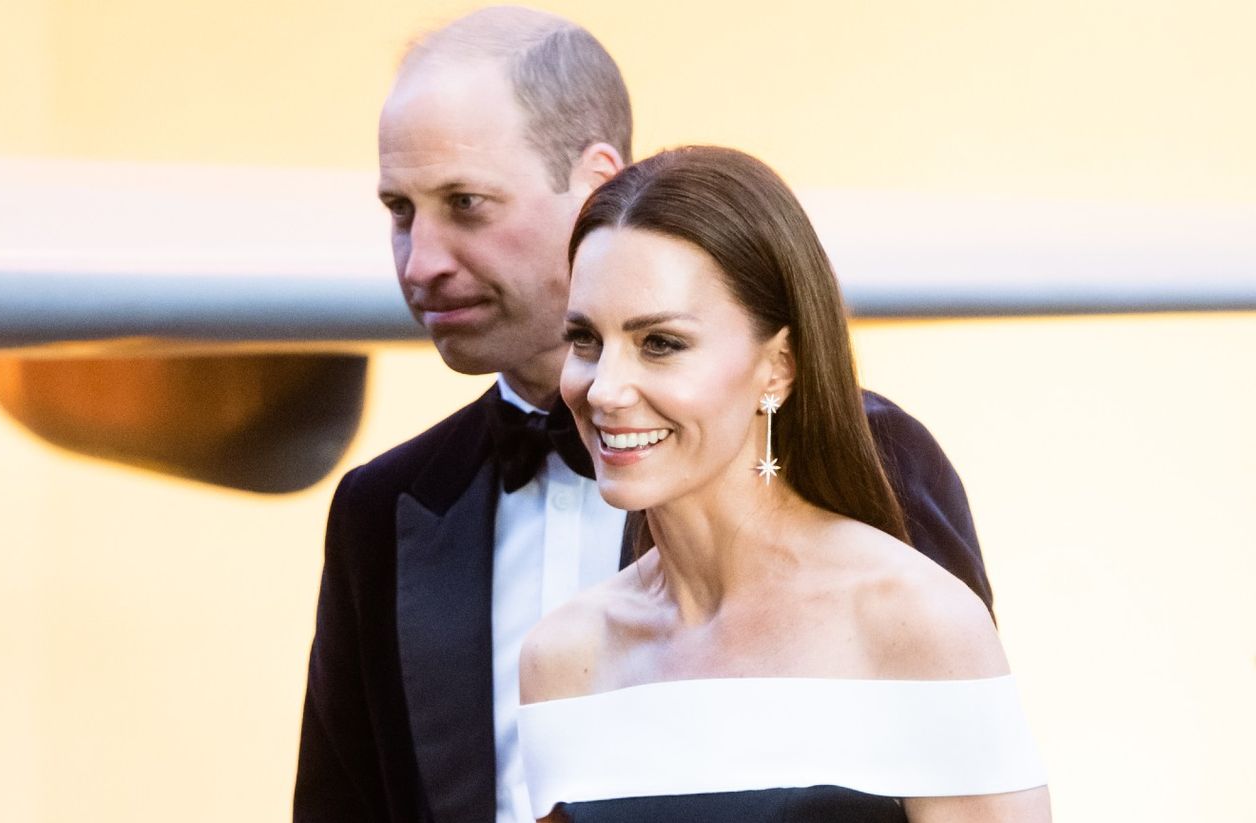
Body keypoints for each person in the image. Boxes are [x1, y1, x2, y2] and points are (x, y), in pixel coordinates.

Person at [295, 7, 992, 823]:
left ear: (595, 183)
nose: (422, 261)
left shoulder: (877, 460)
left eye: (466, 203)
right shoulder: (382, 510)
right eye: (399, 210)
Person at [517, 145, 1050, 822]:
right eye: (586, 339)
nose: (605, 388)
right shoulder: (563, 655)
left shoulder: (915, 621)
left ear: (780, 366)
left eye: (660, 343)